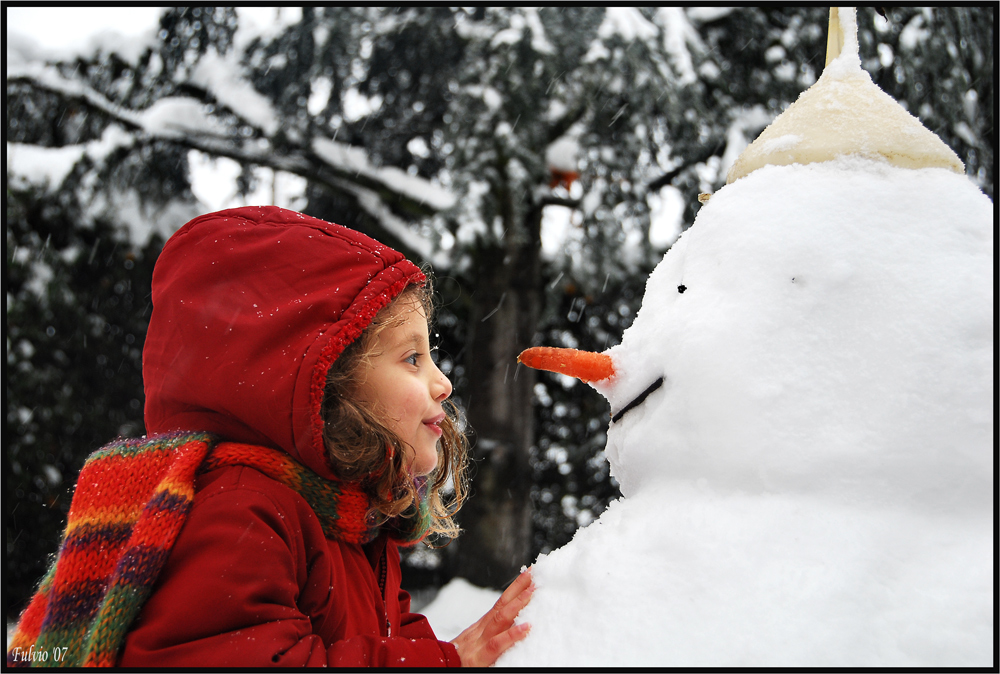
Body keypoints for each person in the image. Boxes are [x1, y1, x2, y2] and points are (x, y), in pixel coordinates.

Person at [6, 206, 533, 667]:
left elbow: (388, 634)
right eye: (412, 358)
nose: (443, 383)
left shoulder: (348, 518)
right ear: (327, 384)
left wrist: (454, 653)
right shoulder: (244, 511)